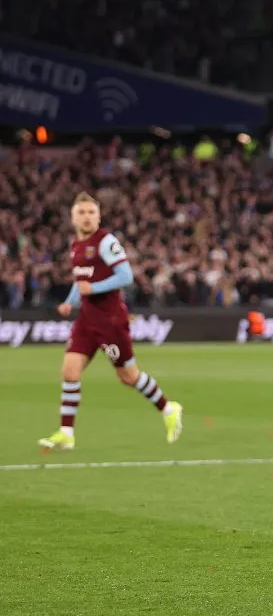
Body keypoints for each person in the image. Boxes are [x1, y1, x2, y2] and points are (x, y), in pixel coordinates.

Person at [37, 193, 183, 451]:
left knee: (128, 376)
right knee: (70, 371)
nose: (87, 217)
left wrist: (92, 290)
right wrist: (70, 302)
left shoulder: (106, 242)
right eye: (81, 212)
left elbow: (125, 276)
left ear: (99, 215)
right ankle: (66, 433)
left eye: (91, 212)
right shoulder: (75, 246)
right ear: (73, 217)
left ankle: (168, 408)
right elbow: (80, 281)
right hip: (86, 321)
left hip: (110, 322)